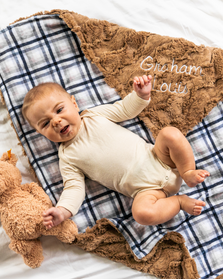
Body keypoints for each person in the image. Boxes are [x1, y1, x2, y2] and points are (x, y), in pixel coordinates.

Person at [22, 75, 210, 228]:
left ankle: (187, 172)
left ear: (74, 104)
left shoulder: (94, 115)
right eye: (45, 123)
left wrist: (140, 95)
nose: (56, 121)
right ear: (40, 133)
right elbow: (74, 188)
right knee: (142, 214)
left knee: (170, 134)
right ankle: (178, 202)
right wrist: (62, 211)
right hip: (147, 192)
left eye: (59, 110)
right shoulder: (67, 157)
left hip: (160, 158)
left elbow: (123, 110)